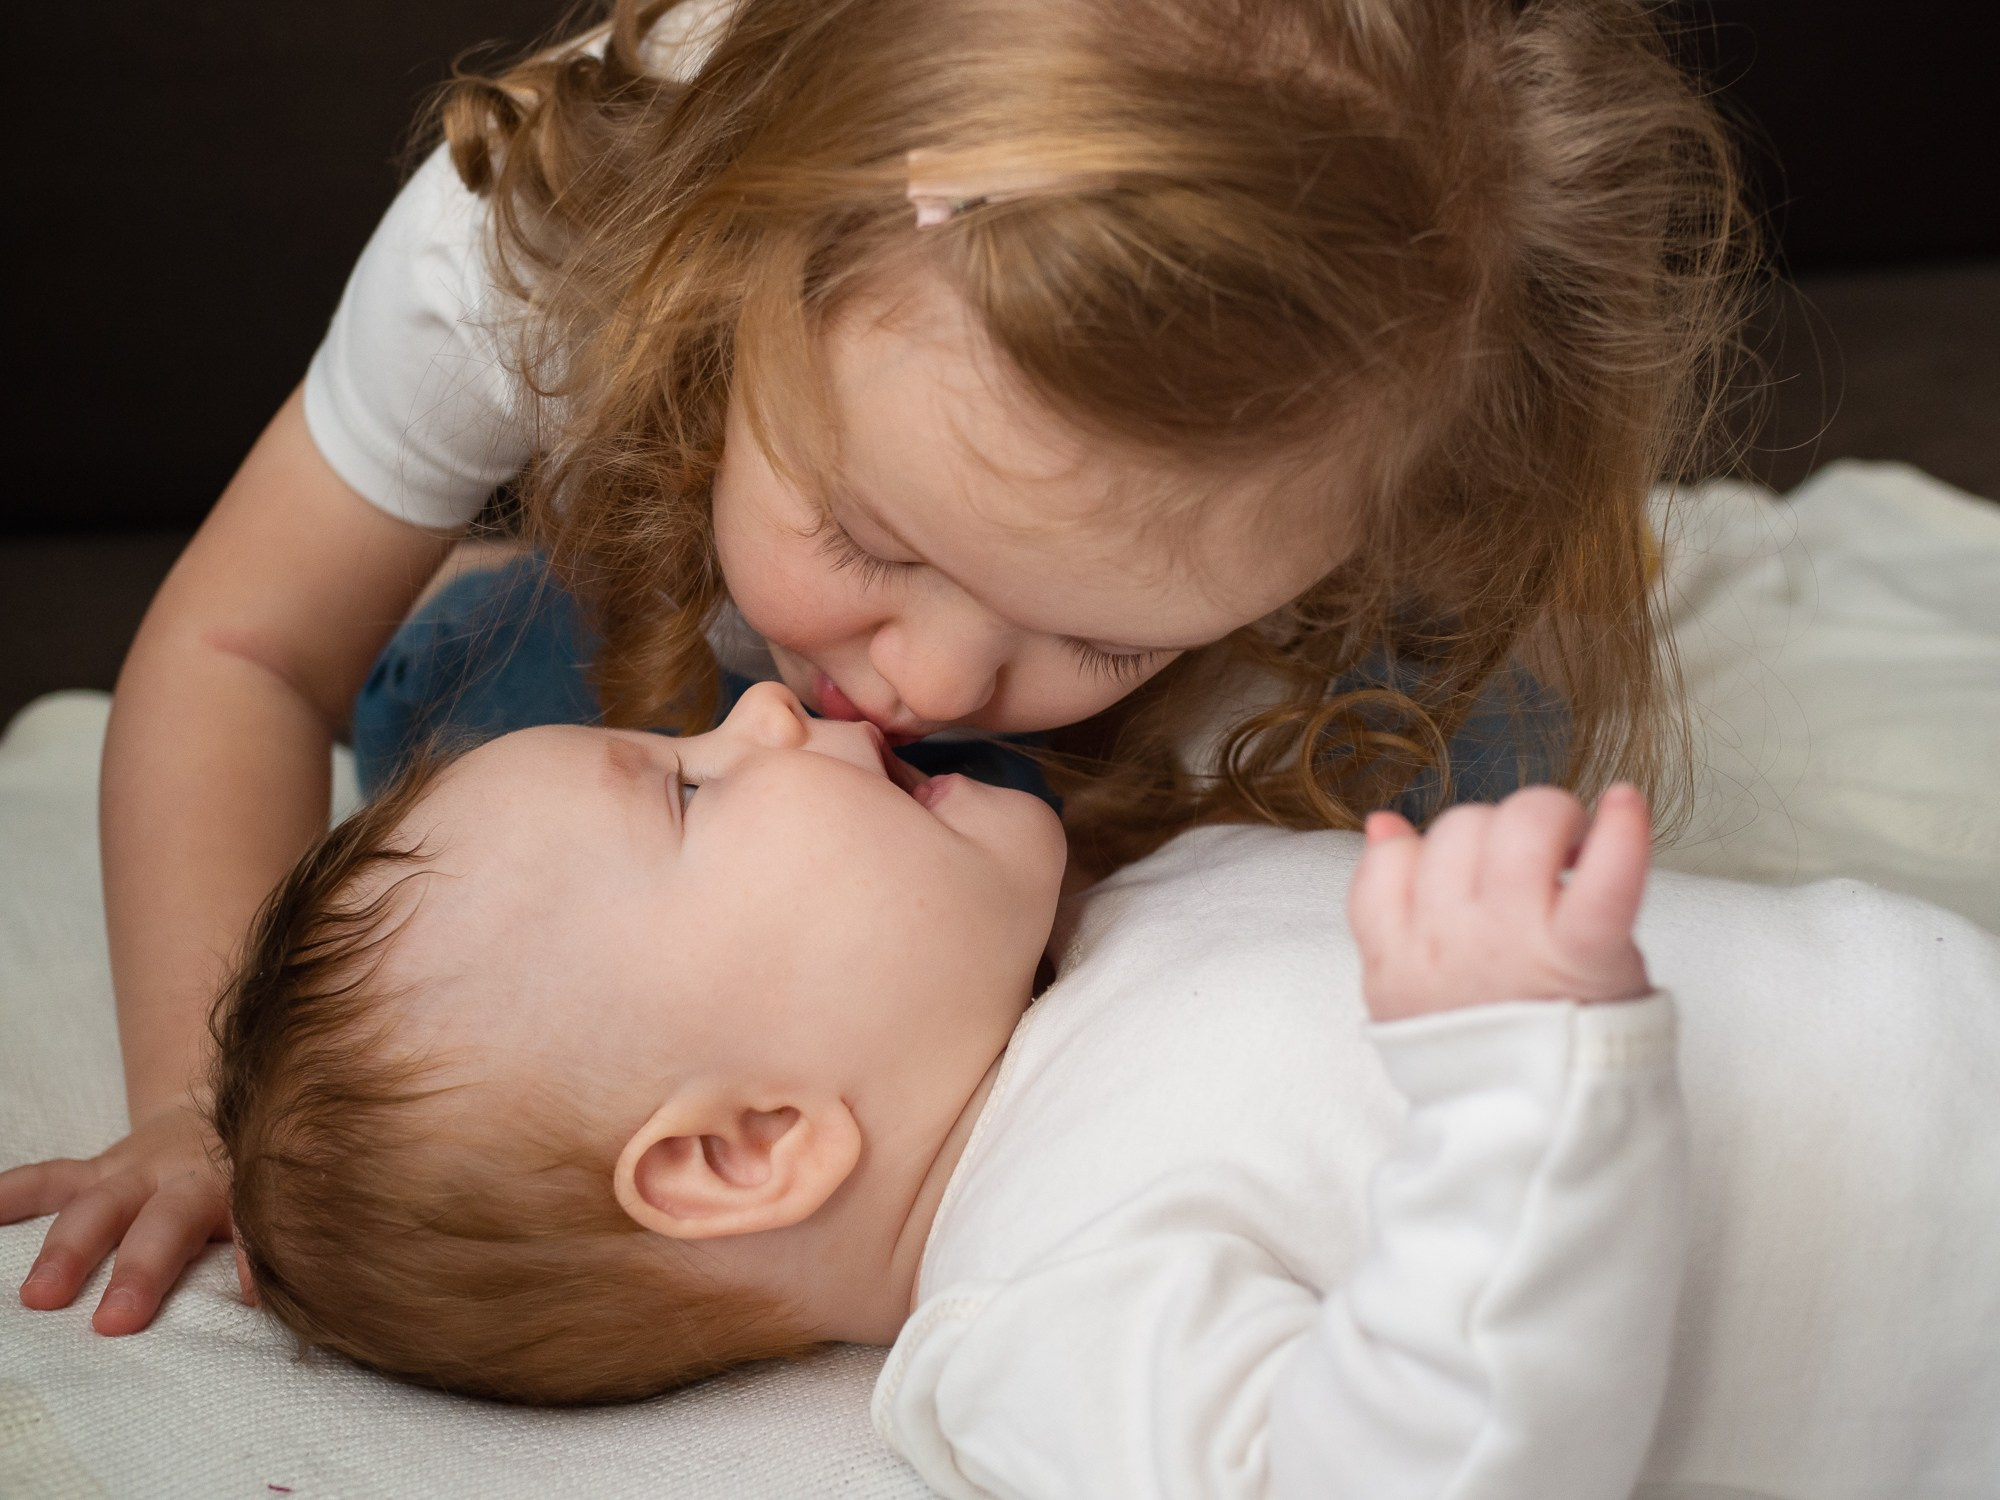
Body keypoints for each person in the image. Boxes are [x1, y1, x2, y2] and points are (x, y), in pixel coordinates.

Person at [3, 0, 1752, 1337]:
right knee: (503, 780)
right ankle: (562, 584)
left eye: (1099, 627)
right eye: (873, 540)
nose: (929, 677)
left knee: (1457, 822)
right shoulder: (542, 234)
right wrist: (190, 1101)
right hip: (648, 602)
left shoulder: (1406, 423)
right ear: (742, 278)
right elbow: (244, 643)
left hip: (1271, 668)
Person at [208, 685, 1999, 1497]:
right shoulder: (1046, 1312)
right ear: (748, 1147)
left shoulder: (1107, 921)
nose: (758, 713)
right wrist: (1526, 1098)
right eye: (688, 790)